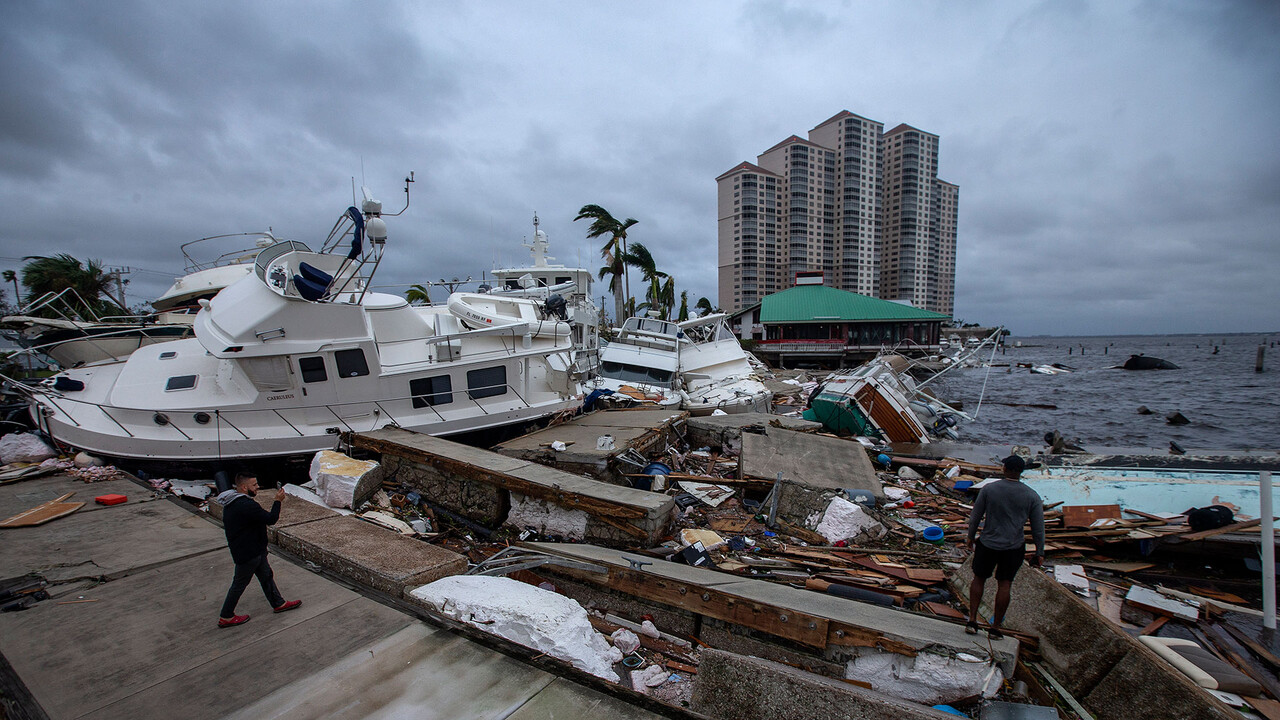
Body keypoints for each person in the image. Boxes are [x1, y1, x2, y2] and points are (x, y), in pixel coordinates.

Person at [965, 455, 1044, 639]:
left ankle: (972, 620)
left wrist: (970, 536)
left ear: (1004, 468)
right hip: (1013, 546)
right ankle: (996, 628)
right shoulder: (1032, 496)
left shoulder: (989, 489)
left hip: (988, 543)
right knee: (1005, 584)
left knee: (979, 579)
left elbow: (975, 516)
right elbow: (1038, 528)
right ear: (1021, 472)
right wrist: (1040, 551)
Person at [215, 472, 301, 628]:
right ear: (244, 487)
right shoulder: (246, 505)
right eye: (254, 485)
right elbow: (270, 519)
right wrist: (277, 501)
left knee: (266, 576)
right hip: (249, 553)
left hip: (254, 550)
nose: (257, 487)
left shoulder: (231, 503)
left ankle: (278, 603)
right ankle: (226, 616)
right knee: (239, 584)